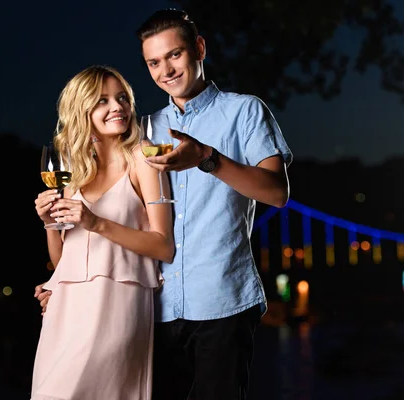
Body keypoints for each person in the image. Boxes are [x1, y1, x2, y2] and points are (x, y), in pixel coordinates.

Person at [36, 8, 293, 399]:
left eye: (174, 55)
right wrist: (65, 283)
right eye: (154, 62)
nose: (166, 70)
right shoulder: (145, 129)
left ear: (199, 49)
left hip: (221, 298)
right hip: (154, 306)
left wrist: (208, 158)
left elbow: (277, 193)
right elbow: (104, 202)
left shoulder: (245, 111)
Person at [30, 64, 174, 400]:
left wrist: (96, 223)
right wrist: (50, 224)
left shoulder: (143, 158)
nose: (117, 107)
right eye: (102, 101)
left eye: (122, 98)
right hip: (65, 309)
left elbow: (163, 246)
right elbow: (63, 260)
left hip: (118, 305)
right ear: (81, 110)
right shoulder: (72, 168)